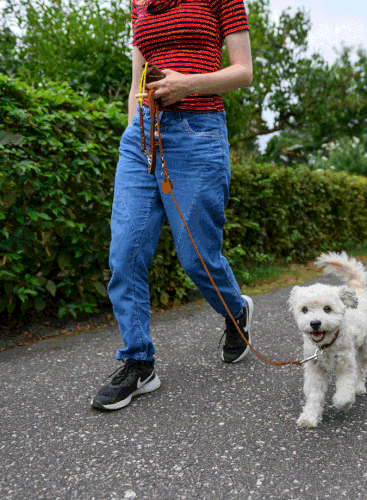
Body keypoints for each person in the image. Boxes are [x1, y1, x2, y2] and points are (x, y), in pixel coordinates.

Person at [91, 0, 254, 411]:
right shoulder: (139, 5)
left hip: (198, 134)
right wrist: (135, 135)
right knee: (124, 253)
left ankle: (236, 311)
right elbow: (136, 82)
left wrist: (187, 85)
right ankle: (138, 361)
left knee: (196, 257)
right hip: (142, 137)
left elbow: (243, 72)